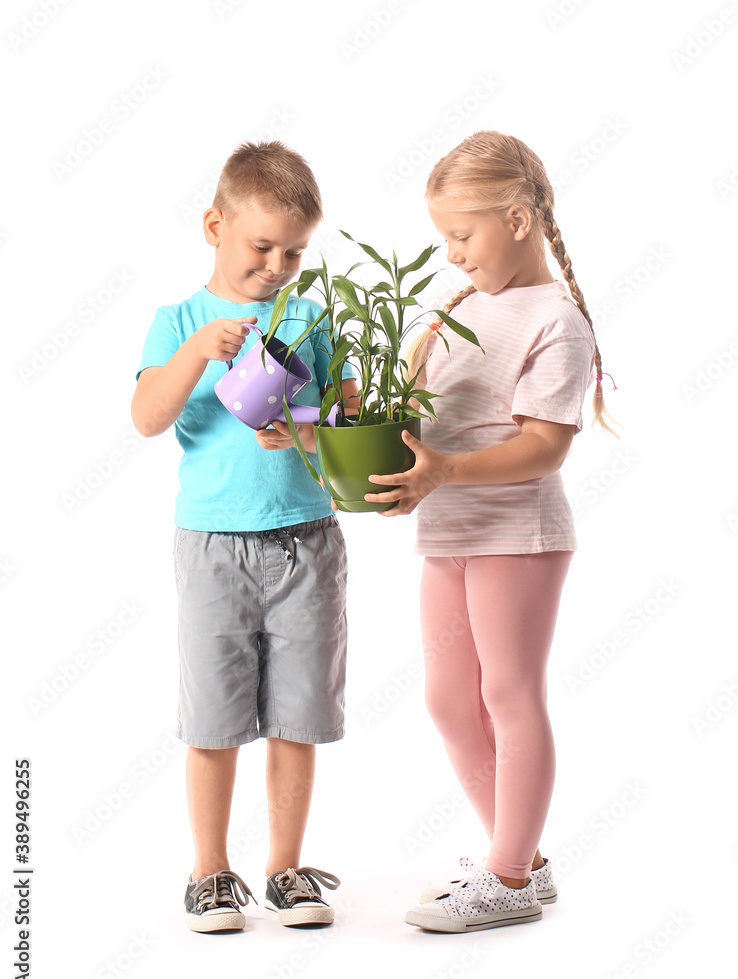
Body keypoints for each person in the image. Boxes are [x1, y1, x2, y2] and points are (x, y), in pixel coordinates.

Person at [365, 130, 617, 933]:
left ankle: (507, 875)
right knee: (448, 699)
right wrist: (321, 424)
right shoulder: (455, 306)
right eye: (444, 239)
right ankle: (523, 860)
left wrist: (442, 472)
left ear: (516, 219)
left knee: (508, 693)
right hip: (447, 532)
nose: (452, 256)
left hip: (518, 535)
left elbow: (543, 447)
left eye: (461, 236)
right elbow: (405, 398)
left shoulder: (558, 320)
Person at [131, 141, 359, 933]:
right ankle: (209, 871)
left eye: (294, 250)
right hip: (213, 547)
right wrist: (198, 351)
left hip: (306, 540)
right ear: (214, 226)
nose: (278, 265)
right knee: (215, 717)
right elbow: (147, 418)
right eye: (261, 246)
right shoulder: (179, 321)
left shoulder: (311, 317)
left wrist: (303, 428)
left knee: (297, 714)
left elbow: (348, 418)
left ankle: (286, 868)